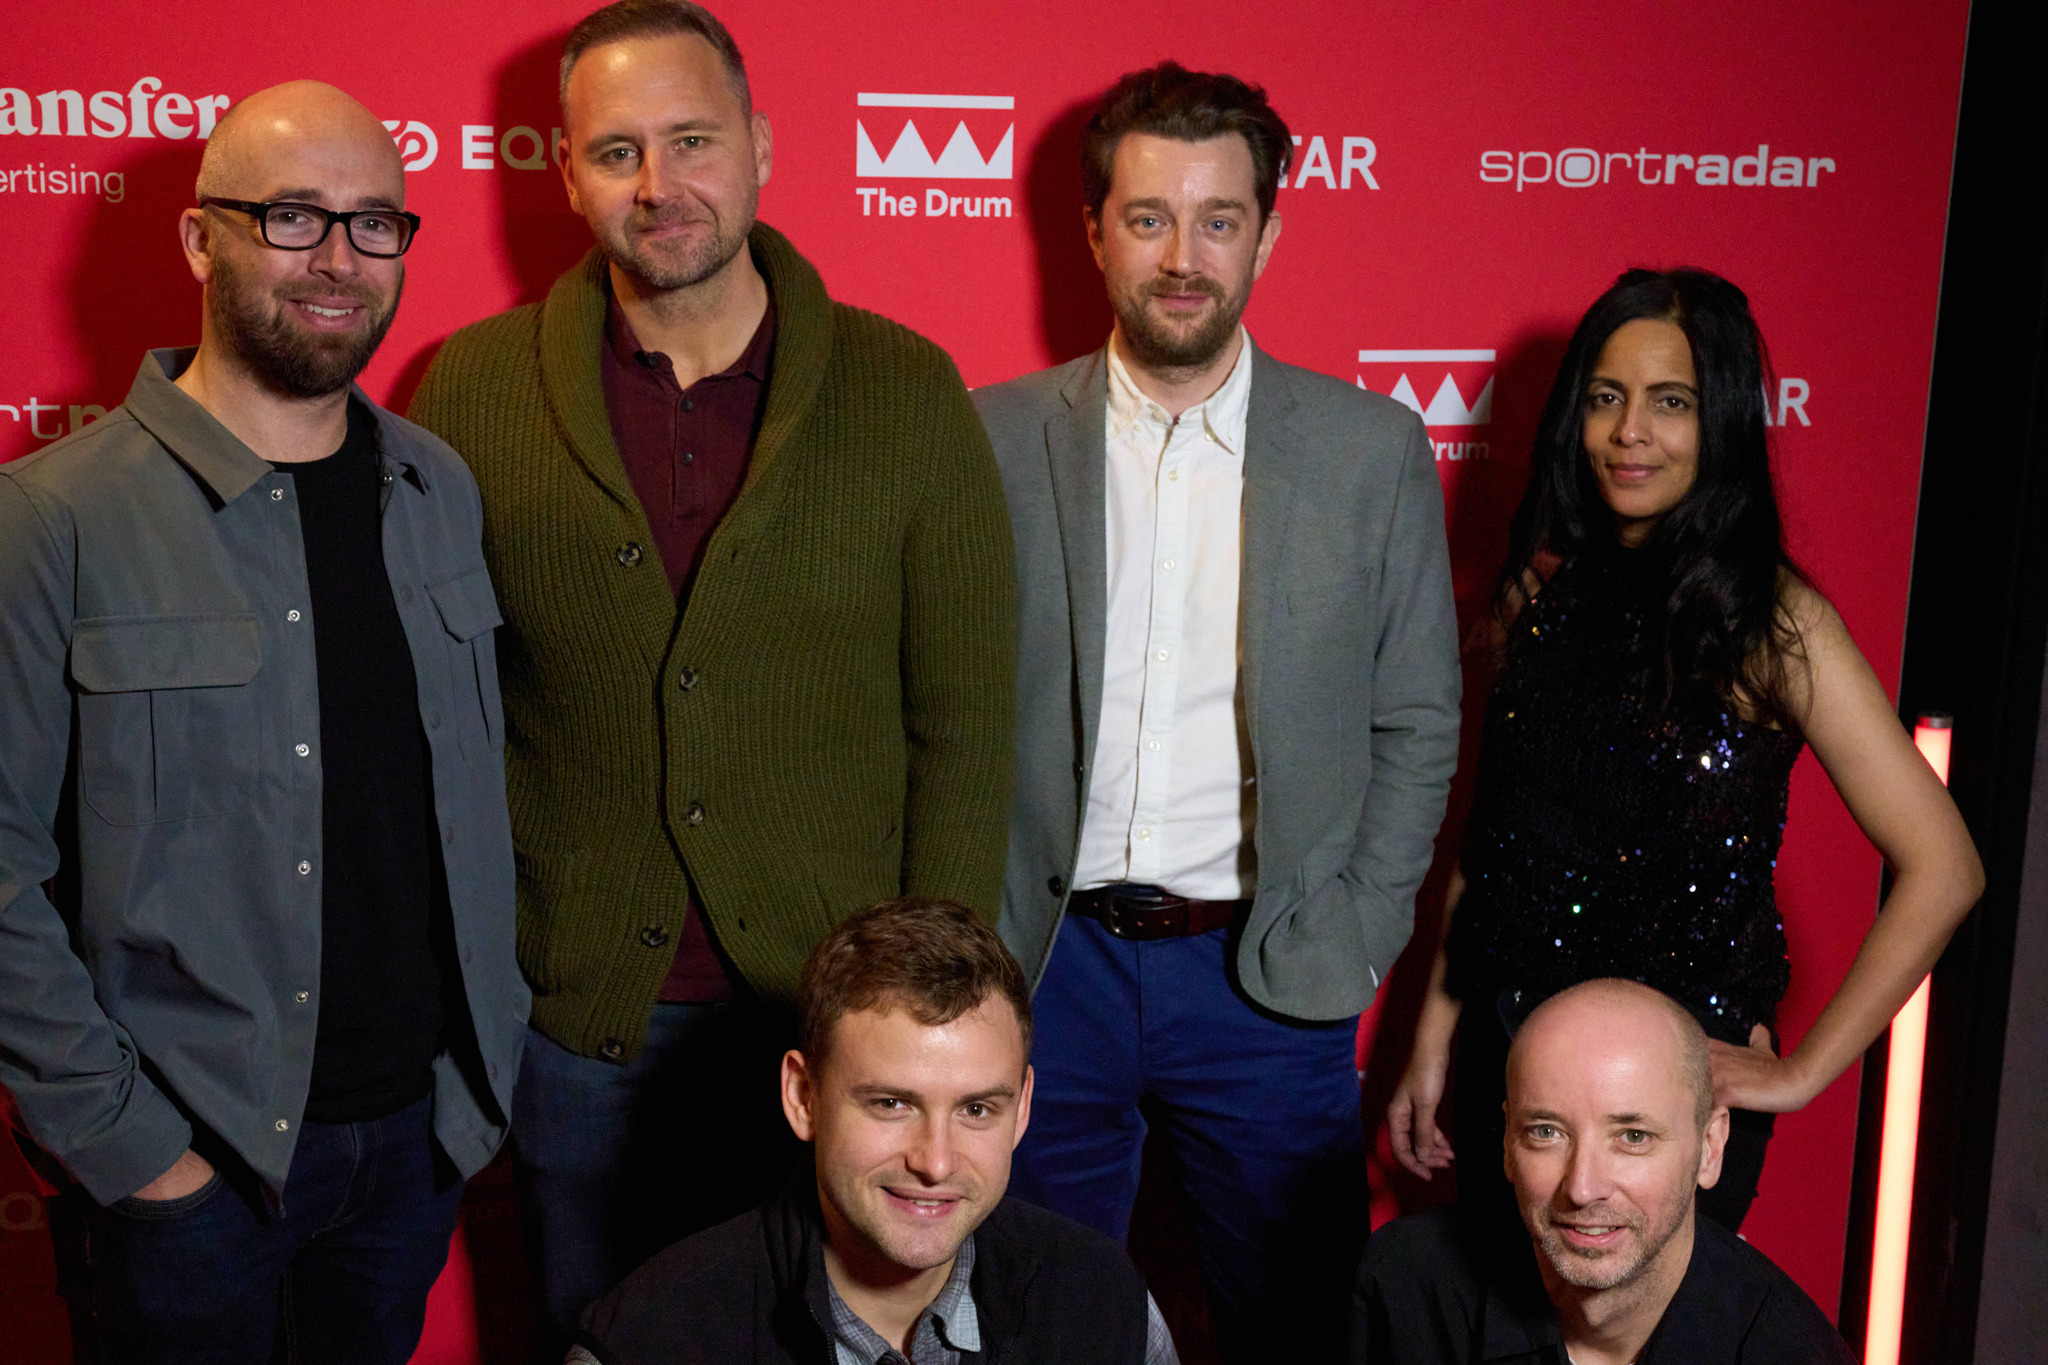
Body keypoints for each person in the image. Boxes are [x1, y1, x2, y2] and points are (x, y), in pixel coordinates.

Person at [406, 0, 1018, 1345]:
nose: (658, 183)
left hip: (838, 1039)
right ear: (567, 174)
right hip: (577, 1029)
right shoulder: (473, 391)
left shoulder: (905, 389)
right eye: (616, 151)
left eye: (692, 140)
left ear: (761, 148)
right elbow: (442, 724)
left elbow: (969, 730)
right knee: (597, 1340)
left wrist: (929, 1018)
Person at [0, 82, 526, 1364]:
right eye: (292, 216)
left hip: (411, 1152)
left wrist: (467, 1101)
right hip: (192, 1175)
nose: (338, 259)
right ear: (200, 239)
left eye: (373, 223)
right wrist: (134, 1149)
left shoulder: (437, 487)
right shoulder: (52, 518)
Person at [974, 62, 1461, 1359]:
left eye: (1218, 219)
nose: (1182, 257)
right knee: (1032, 1324)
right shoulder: (990, 438)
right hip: (1044, 967)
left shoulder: (1368, 452)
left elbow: (1416, 719)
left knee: (1296, 1331)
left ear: (1268, 234)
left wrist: (1355, 931)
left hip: (1269, 972)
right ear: (1093, 232)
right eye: (1148, 218)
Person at [1386, 268, 1984, 1228]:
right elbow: (1496, 842)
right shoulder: (1539, 594)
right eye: (1606, 398)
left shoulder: (1772, 622)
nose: (1631, 432)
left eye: (1672, 403)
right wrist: (1433, 1039)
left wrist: (1800, 1073)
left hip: (1668, 1095)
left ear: (1725, 423)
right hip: (1518, 1061)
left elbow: (1946, 866)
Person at [570, 897, 1178, 1364]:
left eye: (976, 1110)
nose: (935, 1162)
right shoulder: (651, 1339)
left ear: (1021, 1110)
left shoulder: (1103, 1302)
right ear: (803, 1097)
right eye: (892, 1104)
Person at [1356, 979, 1855, 1363]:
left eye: (1633, 1137)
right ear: (1507, 1142)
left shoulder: (1789, 1352)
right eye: (1547, 1132)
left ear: (1709, 1148)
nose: (1582, 1187)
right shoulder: (1402, 1289)